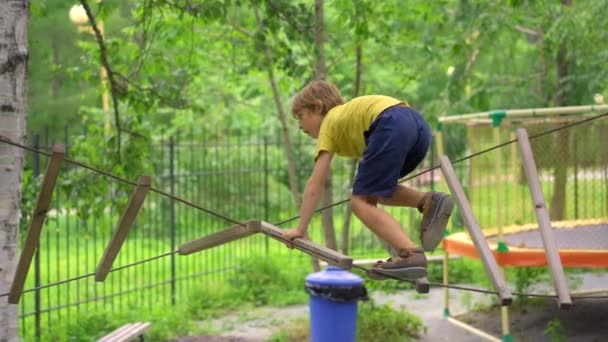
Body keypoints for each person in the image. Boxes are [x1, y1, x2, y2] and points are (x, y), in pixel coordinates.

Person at [282, 80, 454, 280]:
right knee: (375, 192)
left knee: (359, 201)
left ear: (318, 107)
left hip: (389, 122)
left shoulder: (329, 121)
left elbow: (315, 183)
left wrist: (300, 228)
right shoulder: (349, 120)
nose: (300, 126)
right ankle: (427, 202)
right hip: (418, 128)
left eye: (301, 116)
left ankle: (410, 254)